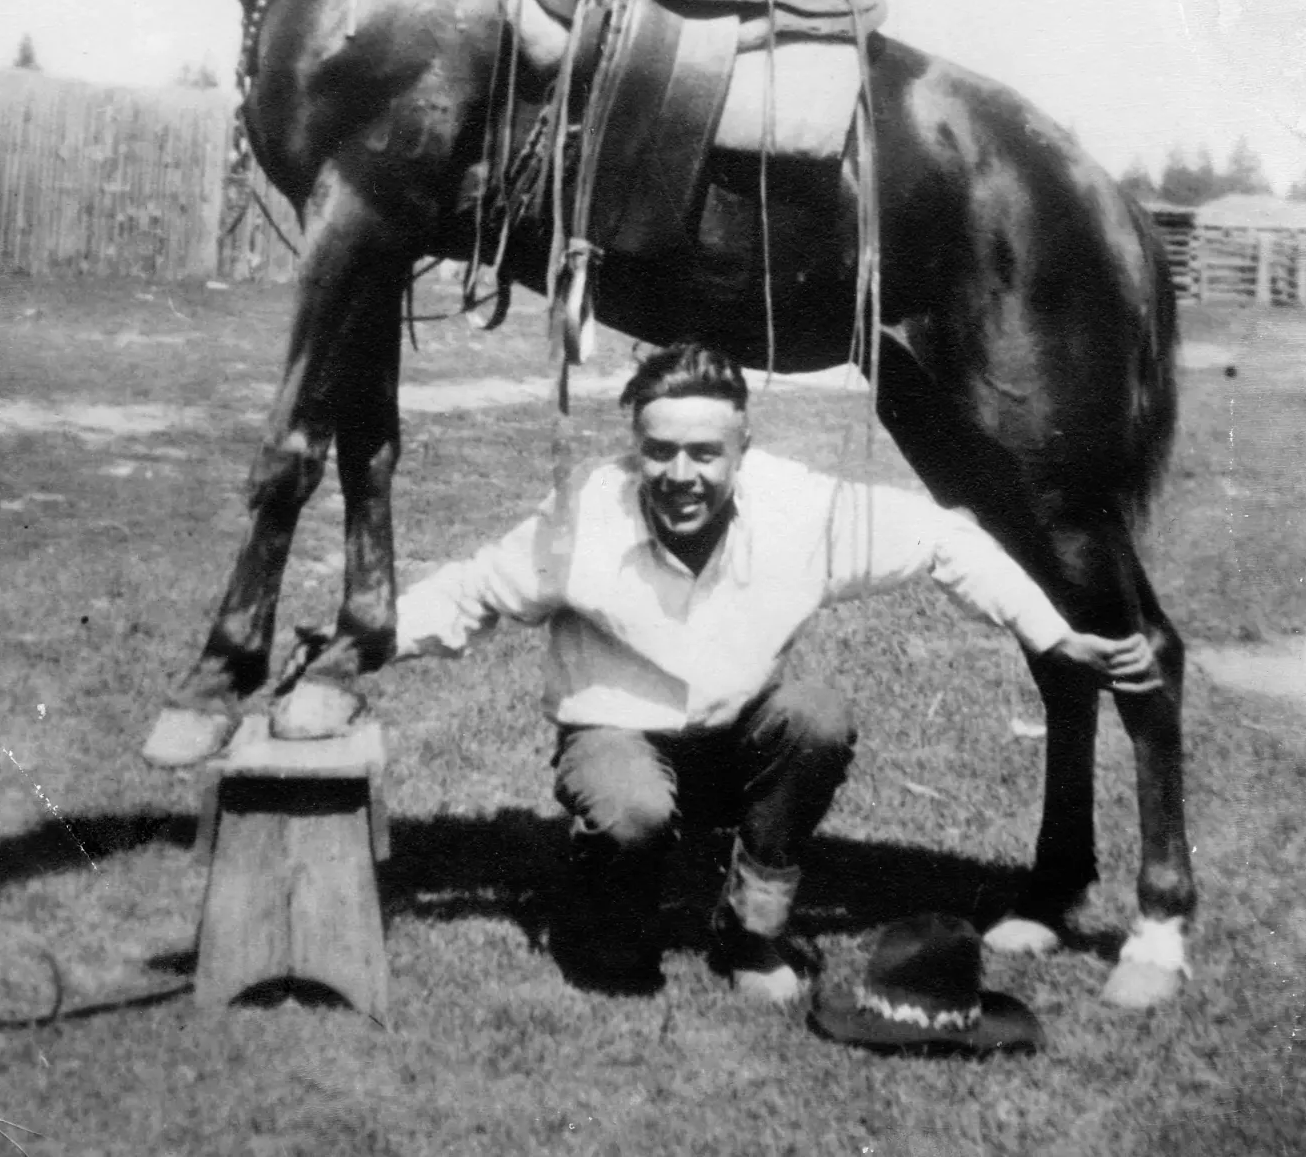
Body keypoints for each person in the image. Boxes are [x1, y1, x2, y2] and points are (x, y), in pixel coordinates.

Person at [391, 342, 1159, 1002]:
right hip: (619, 742)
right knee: (622, 909)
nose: (680, 475)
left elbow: (940, 539)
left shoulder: (799, 510)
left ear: (743, 448)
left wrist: (1052, 637)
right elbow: (474, 590)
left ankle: (753, 927)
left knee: (816, 717)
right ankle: (610, 897)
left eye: (704, 453)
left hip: (736, 746)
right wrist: (360, 641)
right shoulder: (586, 514)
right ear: (634, 448)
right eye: (659, 451)